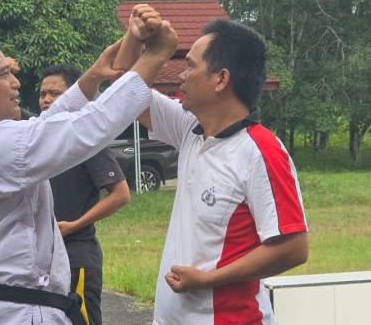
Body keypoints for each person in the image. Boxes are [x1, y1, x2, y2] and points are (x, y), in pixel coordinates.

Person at [0, 8, 176, 325]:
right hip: (17, 314)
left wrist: (92, 77)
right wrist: (156, 56)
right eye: (4, 74)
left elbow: (49, 123)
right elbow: (90, 127)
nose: (16, 82)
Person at [122, 19, 309, 324]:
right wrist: (136, 38)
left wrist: (207, 279)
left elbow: (293, 248)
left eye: (190, 67)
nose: (181, 76)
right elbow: (125, 89)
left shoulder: (261, 150)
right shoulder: (190, 130)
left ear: (221, 79)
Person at [40, 64, 131, 325]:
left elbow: (121, 194)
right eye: (43, 93)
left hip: (77, 257)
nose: (46, 100)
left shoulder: (87, 142)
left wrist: (74, 226)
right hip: (46, 260)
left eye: (54, 93)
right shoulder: (41, 139)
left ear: (75, 96)